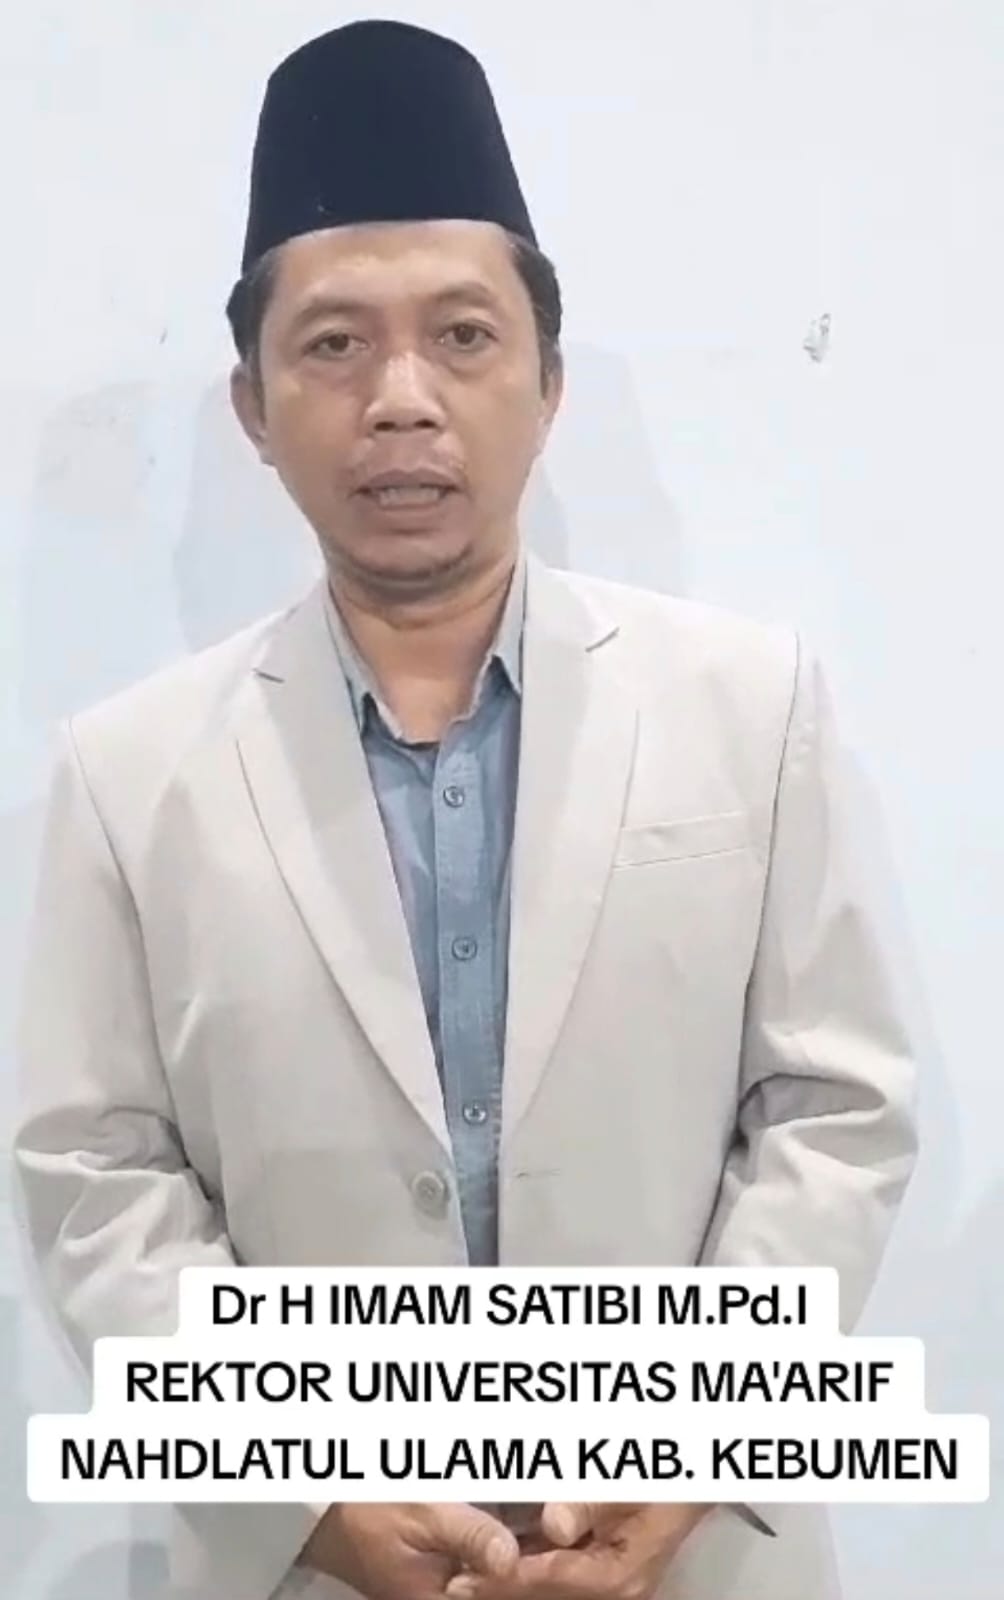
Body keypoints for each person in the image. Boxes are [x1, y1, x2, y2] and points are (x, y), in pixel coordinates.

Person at [13, 19, 918, 1600]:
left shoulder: (748, 704)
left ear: (548, 385)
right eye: (333, 345)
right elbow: (97, 1172)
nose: (402, 399)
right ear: (252, 405)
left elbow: (834, 1110)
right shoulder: (127, 772)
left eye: (463, 335)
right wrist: (306, 1493)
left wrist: (693, 1440)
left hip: (689, 1558)